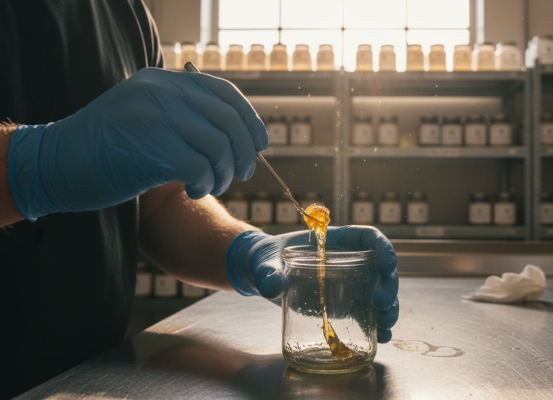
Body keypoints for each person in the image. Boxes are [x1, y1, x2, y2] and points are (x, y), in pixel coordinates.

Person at [0, 1, 399, 397]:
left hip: (88, 376)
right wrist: (37, 165)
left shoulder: (125, 11)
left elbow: (160, 202)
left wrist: (247, 249)